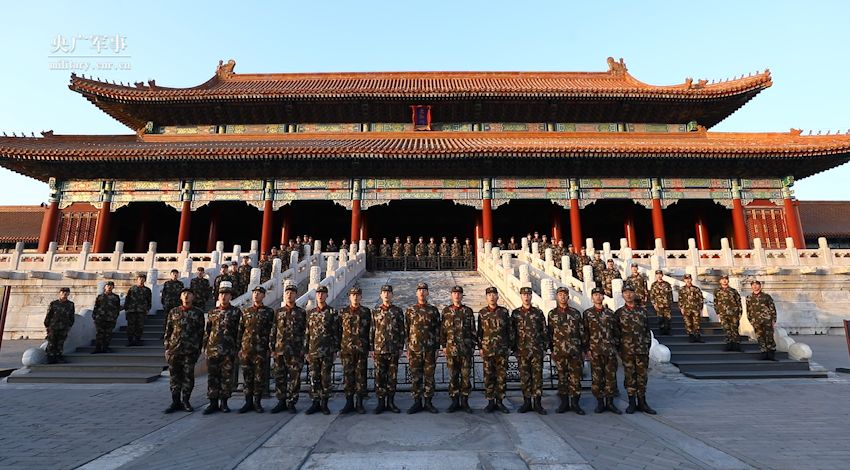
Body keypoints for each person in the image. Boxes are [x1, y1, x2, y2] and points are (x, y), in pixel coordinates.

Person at [615, 286, 656, 415]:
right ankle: (631, 402)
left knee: (642, 376)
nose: (628, 295)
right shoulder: (619, 313)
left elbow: (647, 331)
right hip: (627, 351)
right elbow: (616, 334)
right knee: (630, 377)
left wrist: (647, 346)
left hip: (641, 350)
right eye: (625, 293)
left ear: (634, 294)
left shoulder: (642, 312)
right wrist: (620, 350)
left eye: (630, 292)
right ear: (622, 295)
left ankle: (642, 402)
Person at [202, 281, 241, 414]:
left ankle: (224, 402)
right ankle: (212, 402)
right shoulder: (212, 312)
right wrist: (205, 347)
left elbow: (239, 332)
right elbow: (208, 331)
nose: (223, 297)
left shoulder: (236, 312)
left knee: (226, 377)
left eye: (226, 294)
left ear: (230, 296)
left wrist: (237, 349)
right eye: (221, 294)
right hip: (212, 350)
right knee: (212, 377)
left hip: (228, 350)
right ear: (218, 296)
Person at [163, 288, 204, 413]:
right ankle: (175, 401)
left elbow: (201, 333)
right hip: (174, 350)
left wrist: (198, 349)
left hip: (190, 350)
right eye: (184, 294)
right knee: (174, 377)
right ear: (180, 297)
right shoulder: (173, 312)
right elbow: (168, 331)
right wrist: (167, 348)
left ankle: (186, 401)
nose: (186, 296)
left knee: (188, 377)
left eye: (189, 294)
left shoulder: (198, 313)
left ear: (193, 297)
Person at [547, 286, 586, 414]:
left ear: (568, 297)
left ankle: (575, 403)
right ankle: (564, 403)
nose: (562, 297)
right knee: (562, 378)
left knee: (575, 378)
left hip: (574, 351)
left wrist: (583, 350)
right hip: (559, 351)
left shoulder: (575, 313)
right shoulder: (552, 314)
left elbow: (581, 332)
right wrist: (551, 349)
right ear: (557, 297)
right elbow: (550, 333)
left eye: (565, 294)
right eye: (560, 294)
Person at [270, 283, 307, 414]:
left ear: (296, 295)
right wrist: (272, 349)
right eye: (287, 293)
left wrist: (304, 349)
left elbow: (305, 332)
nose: (289, 295)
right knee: (280, 376)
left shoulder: (301, 312)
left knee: (294, 378)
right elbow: (273, 331)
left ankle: (291, 402)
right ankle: (281, 401)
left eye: (292, 293)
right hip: (280, 350)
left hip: (295, 351)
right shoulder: (278, 312)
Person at [405, 282, 441, 414]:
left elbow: (438, 329)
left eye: (424, 290)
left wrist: (437, 347)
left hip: (430, 349)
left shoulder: (433, 310)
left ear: (428, 293)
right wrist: (407, 348)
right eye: (419, 290)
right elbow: (407, 329)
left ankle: (428, 401)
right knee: (415, 376)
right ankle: (417, 402)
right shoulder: (410, 310)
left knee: (429, 376)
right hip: (415, 349)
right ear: (416, 293)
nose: (421, 292)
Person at [238, 286, 275, 413]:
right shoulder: (246, 312)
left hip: (261, 349)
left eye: (259, 293)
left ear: (263, 296)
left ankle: (257, 402)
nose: (256, 295)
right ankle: (248, 401)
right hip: (247, 349)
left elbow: (272, 331)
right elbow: (240, 331)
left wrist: (270, 347)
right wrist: (239, 347)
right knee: (247, 377)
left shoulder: (269, 312)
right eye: (254, 293)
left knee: (259, 377)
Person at [583, 287, 621, 414]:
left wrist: (615, 346)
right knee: (597, 378)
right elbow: (585, 333)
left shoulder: (610, 313)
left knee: (610, 377)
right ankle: (600, 403)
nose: (598, 297)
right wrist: (587, 349)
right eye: (595, 295)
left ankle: (610, 403)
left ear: (603, 297)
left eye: (600, 294)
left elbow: (616, 332)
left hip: (609, 351)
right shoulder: (587, 314)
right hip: (595, 351)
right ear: (592, 297)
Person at [512, 286, 548, 415]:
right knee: (525, 377)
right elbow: (513, 333)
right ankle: (526, 402)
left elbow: (544, 331)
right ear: (521, 296)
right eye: (524, 295)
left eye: (528, 295)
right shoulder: (515, 313)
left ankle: (537, 403)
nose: (526, 297)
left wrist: (545, 348)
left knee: (537, 377)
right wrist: (514, 349)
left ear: (531, 296)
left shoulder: (538, 313)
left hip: (536, 350)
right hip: (522, 351)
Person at [304, 285, 340, 415]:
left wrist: (336, 349)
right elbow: (307, 333)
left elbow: (336, 331)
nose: (320, 295)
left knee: (325, 378)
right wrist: (306, 350)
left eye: (323, 293)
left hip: (328, 351)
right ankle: (315, 402)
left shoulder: (332, 312)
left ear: (326, 295)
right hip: (313, 350)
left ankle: (324, 403)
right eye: (318, 293)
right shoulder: (311, 312)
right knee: (314, 377)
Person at [370, 284, 406, 414]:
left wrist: (401, 346)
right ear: (380, 295)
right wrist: (371, 348)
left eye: (388, 292)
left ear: (392, 295)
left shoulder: (397, 311)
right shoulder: (375, 311)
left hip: (393, 349)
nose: (386, 294)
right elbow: (372, 330)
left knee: (392, 377)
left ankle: (391, 402)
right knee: (379, 377)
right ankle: (380, 402)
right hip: (379, 349)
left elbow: (402, 330)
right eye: (384, 292)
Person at [441, 285, 476, 413]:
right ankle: (454, 401)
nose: (457, 295)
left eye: (459, 293)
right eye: (454, 293)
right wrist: (443, 345)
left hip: (465, 349)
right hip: (451, 350)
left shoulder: (468, 311)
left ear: (462, 295)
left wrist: (473, 346)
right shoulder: (446, 311)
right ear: (451, 295)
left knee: (466, 377)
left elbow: (473, 330)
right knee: (453, 376)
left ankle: (465, 402)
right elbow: (443, 331)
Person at [478, 286, 513, 413]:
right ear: (486, 297)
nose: (492, 297)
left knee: (501, 376)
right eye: (489, 295)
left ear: (497, 296)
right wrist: (480, 347)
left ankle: (500, 401)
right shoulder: (482, 313)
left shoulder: (503, 312)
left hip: (502, 349)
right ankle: (490, 401)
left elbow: (509, 330)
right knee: (488, 376)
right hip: (487, 350)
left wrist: (509, 346)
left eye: (494, 294)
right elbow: (479, 332)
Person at [339, 286, 372, 414]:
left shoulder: (365, 311)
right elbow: (338, 330)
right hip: (346, 349)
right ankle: (349, 402)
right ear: (349, 297)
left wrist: (370, 348)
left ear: (361, 297)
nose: (355, 297)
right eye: (353, 295)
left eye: (357, 295)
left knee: (360, 376)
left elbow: (370, 329)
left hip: (361, 349)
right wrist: (338, 347)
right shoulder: (343, 312)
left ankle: (359, 403)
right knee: (348, 377)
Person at [746, 280, 778, 361]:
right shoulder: (749, 297)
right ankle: (763, 353)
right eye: (753, 285)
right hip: (756, 321)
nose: (755, 286)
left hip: (767, 320)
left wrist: (773, 319)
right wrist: (750, 320)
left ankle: (771, 354)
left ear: (760, 286)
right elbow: (748, 310)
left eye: (756, 285)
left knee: (769, 337)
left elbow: (772, 308)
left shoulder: (766, 296)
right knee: (760, 337)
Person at [44, 287, 75, 364]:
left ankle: (58, 357)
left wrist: (69, 325)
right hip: (53, 326)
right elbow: (49, 315)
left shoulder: (70, 304)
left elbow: (71, 316)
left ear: (68, 294)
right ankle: (50, 358)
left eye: (66, 292)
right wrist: (47, 325)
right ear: (60, 293)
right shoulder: (54, 303)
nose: (64, 294)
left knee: (60, 343)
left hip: (64, 327)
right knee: (51, 343)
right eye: (63, 292)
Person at [714, 274, 743, 351]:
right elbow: (715, 302)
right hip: (723, 313)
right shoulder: (717, 291)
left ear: (728, 280)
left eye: (726, 279)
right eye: (723, 279)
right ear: (720, 281)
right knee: (726, 329)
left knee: (735, 329)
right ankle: (728, 345)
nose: (724, 280)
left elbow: (738, 302)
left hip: (734, 313)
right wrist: (717, 312)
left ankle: (736, 346)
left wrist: (740, 313)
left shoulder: (733, 291)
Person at [92, 281, 121, 353]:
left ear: (113, 287)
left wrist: (115, 317)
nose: (109, 287)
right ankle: (98, 348)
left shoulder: (115, 297)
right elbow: (96, 307)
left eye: (111, 286)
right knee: (99, 334)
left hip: (110, 319)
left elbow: (118, 308)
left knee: (108, 334)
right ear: (105, 287)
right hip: (100, 318)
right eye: (108, 285)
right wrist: (94, 316)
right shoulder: (100, 297)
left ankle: (105, 347)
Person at [124, 273, 152, 346]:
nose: (141, 280)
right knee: (131, 326)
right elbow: (127, 299)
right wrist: (126, 308)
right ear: (137, 280)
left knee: (140, 326)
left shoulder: (147, 290)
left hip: (142, 311)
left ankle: (137, 340)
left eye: (143, 279)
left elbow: (149, 300)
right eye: (139, 279)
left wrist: (148, 308)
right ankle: (130, 340)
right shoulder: (132, 289)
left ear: (145, 280)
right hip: (132, 310)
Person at [678, 274, 705, 343]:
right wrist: (681, 308)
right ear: (684, 280)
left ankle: (697, 337)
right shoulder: (682, 289)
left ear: (691, 279)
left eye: (689, 279)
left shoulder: (696, 289)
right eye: (686, 279)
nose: (688, 280)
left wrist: (701, 308)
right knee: (688, 324)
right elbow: (680, 299)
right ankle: (691, 336)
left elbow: (700, 299)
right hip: (686, 309)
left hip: (695, 309)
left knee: (697, 323)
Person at [161, 269, 185, 337]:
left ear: (178, 275)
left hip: (177, 304)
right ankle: (166, 334)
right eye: (173, 274)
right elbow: (164, 294)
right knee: (167, 319)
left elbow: (182, 294)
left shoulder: (180, 284)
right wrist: (163, 302)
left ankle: (175, 334)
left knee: (177, 319)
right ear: (171, 275)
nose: (175, 275)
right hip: (168, 304)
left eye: (176, 274)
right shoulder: (167, 283)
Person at [649, 270, 673, 335]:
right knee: (660, 318)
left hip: (667, 304)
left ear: (662, 275)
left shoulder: (667, 284)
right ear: (656, 276)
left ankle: (667, 331)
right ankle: (662, 331)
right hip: (658, 304)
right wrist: (654, 304)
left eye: (660, 274)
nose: (659, 276)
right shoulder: (654, 285)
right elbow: (652, 295)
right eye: (657, 274)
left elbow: (670, 295)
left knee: (668, 318)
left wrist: (671, 303)